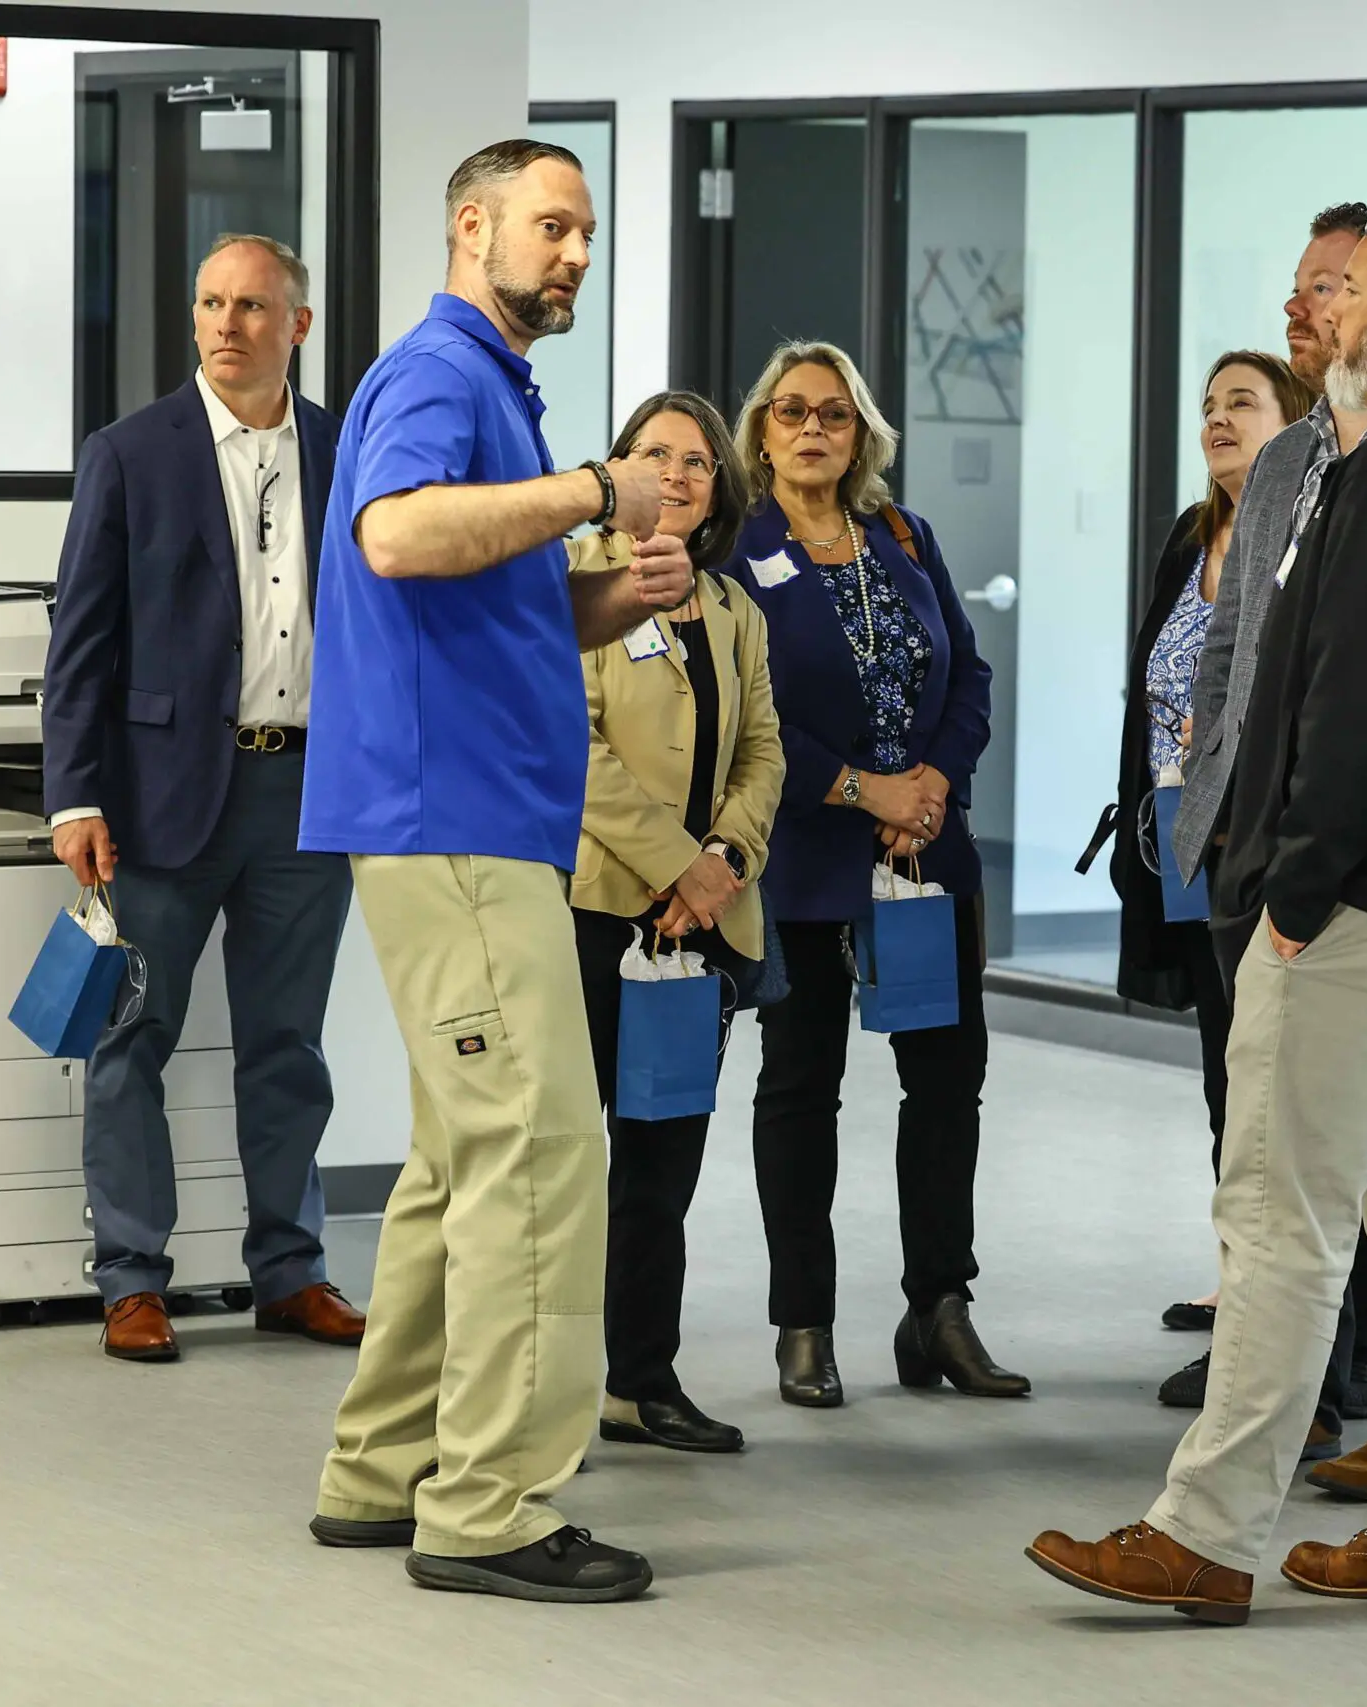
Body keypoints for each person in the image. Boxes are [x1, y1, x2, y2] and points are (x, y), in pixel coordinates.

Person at [1029, 206, 1367, 1624]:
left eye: (1355, 292)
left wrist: (1296, 889)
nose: (1328, 316)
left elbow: (1357, 707)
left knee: (1278, 1213)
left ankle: (1203, 1534)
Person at [302, 139, 695, 1603]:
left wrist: (614, 593)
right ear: (473, 226)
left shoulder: (493, 391)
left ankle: (383, 1467)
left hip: (476, 817)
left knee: (460, 1159)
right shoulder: (439, 373)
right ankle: (487, 1507)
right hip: (454, 822)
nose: (576, 251)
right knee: (540, 1150)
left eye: (586, 231)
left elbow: (491, 602)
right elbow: (399, 536)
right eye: (551, 225)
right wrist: (593, 487)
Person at [43, 232, 364, 1364]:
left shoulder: (348, 450)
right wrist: (75, 797)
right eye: (212, 303)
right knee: (133, 1034)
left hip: (308, 793)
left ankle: (291, 1270)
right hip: (161, 796)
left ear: (298, 325)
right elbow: (80, 643)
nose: (227, 324)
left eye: (252, 306)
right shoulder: (130, 454)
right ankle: (132, 1279)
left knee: (289, 1045)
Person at [733, 340, 1025, 1409]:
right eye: (792, 411)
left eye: (835, 414)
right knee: (802, 1089)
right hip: (808, 860)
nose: (813, 429)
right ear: (762, 432)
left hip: (925, 856)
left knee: (945, 1083)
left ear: (861, 435)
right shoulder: (738, 553)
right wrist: (867, 790)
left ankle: (939, 1310)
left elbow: (970, 674)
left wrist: (932, 782)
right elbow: (752, 715)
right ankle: (803, 1324)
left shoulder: (905, 536)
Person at [1159, 203, 1367, 1450]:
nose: (1301, 306)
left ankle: (1347, 1369)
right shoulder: (1289, 463)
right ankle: (1284, 1377)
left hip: (1353, 863)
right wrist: (1214, 809)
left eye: (1327, 287)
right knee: (1255, 1135)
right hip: (1247, 850)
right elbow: (1231, 649)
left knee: (1344, 1145)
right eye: (1298, 286)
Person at [1080, 349, 1314, 1392]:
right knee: (1226, 1069)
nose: (1216, 419)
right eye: (1208, 405)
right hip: (1187, 840)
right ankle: (1239, 1277)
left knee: (1281, 1086)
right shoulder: (1192, 536)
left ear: (1293, 421)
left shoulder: (1307, 533)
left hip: (1269, 847)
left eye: (1242, 403)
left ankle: (1334, 1317)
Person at [567, 391, 782, 1456]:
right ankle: (538, 1389)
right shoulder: (580, 584)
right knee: (565, 1164)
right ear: (620, 471)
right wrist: (674, 863)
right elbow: (571, 746)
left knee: (663, 1163)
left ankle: (638, 1382)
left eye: (698, 460)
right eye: (655, 454)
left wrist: (725, 863)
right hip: (599, 912)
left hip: (703, 925)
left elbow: (764, 751)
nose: (679, 474)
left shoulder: (735, 608)